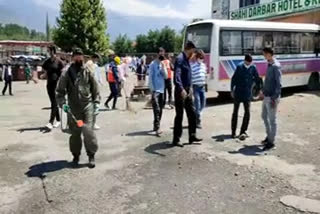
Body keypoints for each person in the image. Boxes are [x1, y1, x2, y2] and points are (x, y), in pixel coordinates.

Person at [56, 48, 100, 168]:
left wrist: (96, 103)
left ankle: (91, 155)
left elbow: (95, 87)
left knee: (88, 131)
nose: (79, 58)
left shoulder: (87, 71)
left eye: (80, 56)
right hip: (74, 110)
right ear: (73, 58)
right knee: (75, 133)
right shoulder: (66, 73)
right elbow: (59, 91)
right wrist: (62, 103)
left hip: (87, 107)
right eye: (76, 56)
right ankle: (76, 155)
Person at [172, 41, 202, 147]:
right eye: (193, 51)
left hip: (188, 90)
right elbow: (177, 76)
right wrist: (181, 89)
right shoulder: (180, 59)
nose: (193, 53)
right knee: (179, 115)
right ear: (189, 49)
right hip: (181, 91)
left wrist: (190, 89)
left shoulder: (186, 59)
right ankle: (176, 139)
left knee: (192, 113)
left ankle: (192, 135)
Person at [231, 54, 260, 140]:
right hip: (238, 93)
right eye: (247, 63)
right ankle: (233, 132)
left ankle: (243, 131)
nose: (248, 64)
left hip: (247, 93)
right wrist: (232, 90)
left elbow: (257, 78)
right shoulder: (239, 67)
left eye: (250, 63)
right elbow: (234, 79)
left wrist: (258, 89)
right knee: (235, 112)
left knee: (247, 112)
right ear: (244, 61)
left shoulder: (253, 67)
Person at [261, 47, 282, 151]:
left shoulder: (276, 66)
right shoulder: (269, 64)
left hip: (272, 98)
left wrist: (274, 98)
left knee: (272, 120)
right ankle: (269, 136)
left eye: (265, 54)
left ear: (269, 54)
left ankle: (271, 142)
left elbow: (279, 84)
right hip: (266, 95)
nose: (264, 56)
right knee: (264, 116)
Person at [42, 46, 64, 130]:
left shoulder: (59, 61)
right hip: (49, 84)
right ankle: (58, 120)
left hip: (57, 84)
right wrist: (43, 74)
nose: (48, 52)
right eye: (48, 51)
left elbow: (63, 72)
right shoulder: (47, 62)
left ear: (53, 51)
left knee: (54, 102)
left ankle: (51, 122)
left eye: (49, 51)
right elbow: (43, 69)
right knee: (53, 102)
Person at [149, 53, 168, 136]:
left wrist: (164, 68)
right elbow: (150, 77)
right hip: (155, 90)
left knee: (160, 109)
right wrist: (152, 89)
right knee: (156, 109)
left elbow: (166, 77)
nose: (160, 61)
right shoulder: (152, 65)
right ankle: (157, 128)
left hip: (162, 89)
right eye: (159, 59)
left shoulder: (162, 64)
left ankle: (156, 125)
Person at [190, 49, 207, 129]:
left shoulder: (204, 66)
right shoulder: (193, 66)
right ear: (197, 58)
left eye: (202, 58)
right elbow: (190, 77)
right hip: (195, 87)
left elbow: (204, 75)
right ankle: (198, 121)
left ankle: (196, 115)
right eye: (200, 57)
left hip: (202, 87)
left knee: (203, 104)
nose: (201, 59)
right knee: (198, 103)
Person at [85, 54, 102, 130]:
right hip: (93, 89)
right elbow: (96, 78)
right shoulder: (93, 66)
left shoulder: (86, 65)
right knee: (95, 106)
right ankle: (93, 123)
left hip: (89, 89)